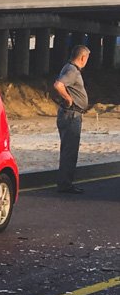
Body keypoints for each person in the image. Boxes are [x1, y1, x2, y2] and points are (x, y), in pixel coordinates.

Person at [52, 44, 91, 194]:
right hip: (71, 115)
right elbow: (58, 85)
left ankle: (65, 182)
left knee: (68, 150)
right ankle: (65, 184)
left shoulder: (68, 68)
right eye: (87, 58)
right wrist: (68, 99)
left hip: (70, 114)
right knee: (70, 151)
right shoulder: (72, 70)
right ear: (83, 57)